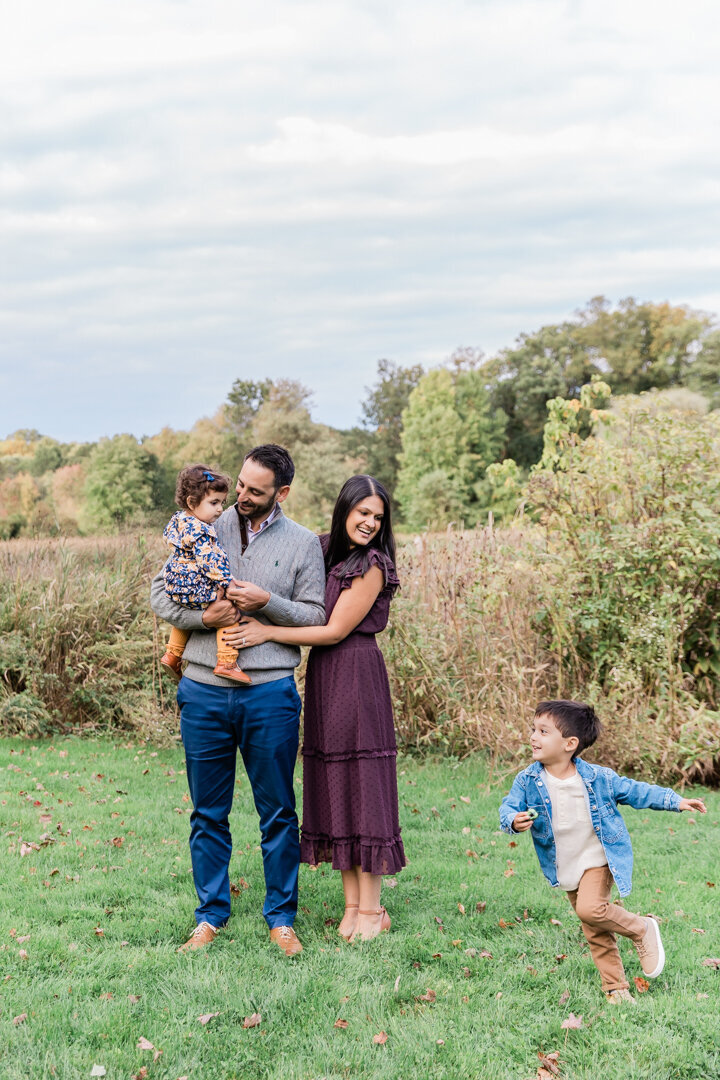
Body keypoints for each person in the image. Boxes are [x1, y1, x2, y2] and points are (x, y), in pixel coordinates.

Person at [150, 444, 326, 957]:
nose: (242, 497)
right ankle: (210, 916)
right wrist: (205, 620)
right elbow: (161, 597)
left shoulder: (302, 544)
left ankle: (282, 918)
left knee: (278, 812)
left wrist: (266, 603)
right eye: (241, 485)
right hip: (203, 690)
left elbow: (315, 614)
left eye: (255, 490)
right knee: (208, 812)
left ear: (282, 493)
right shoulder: (202, 524)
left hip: (270, 693)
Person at [232, 474, 406, 943]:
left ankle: (373, 909)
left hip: (356, 673)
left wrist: (267, 631)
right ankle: (352, 906)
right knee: (338, 781)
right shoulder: (325, 548)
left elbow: (331, 630)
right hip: (326, 679)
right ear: (344, 508)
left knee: (363, 784)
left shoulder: (372, 563)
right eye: (362, 512)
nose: (369, 523)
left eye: (378, 517)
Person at [499, 700, 707, 1003]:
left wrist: (674, 800)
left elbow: (635, 791)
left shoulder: (598, 778)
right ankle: (616, 989)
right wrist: (513, 821)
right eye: (534, 729)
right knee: (595, 927)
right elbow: (509, 807)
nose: (533, 736)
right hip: (565, 863)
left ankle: (642, 928)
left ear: (570, 743)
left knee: (590, 909)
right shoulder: (528, 780)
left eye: (543, 731)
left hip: (597, 857)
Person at [159, 463, 251, 685]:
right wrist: (226, 582)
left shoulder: (179, 520)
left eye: (222, 502)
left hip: (175, 584)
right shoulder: (202, 530)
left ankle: (172, 654)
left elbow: (168, 539)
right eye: (214, 503)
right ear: (192, 502)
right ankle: (227, 662)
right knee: (228, 610)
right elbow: (209, 560)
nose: (220, 509)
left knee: (186, 611)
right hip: (195, 585)